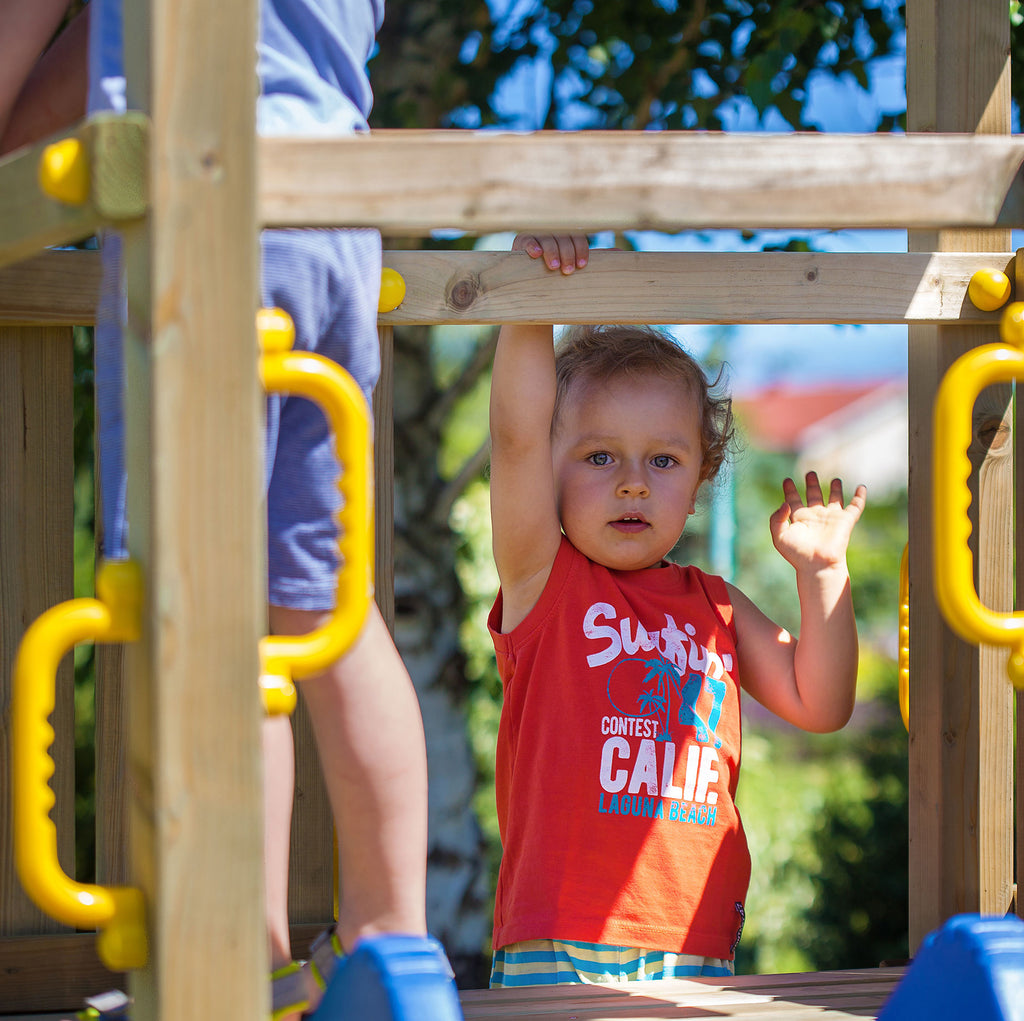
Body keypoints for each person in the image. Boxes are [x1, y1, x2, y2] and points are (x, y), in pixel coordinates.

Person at [1, 3, 462, 1019]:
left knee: (202, 608)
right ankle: (395, 950)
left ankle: (230, 968)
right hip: (335, 212)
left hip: (201, 207)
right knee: (320, 604)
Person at [486, 232, 866, 988]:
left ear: (700, 480)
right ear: (550, 472)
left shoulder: (715, 606)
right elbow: (516, 438)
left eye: (664, 460)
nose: (633, 482)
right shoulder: (545, 582)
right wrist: (529, 300)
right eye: (599, 456)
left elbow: (820, 703)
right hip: (558, 939)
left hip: (693, 941)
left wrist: (823, 575)